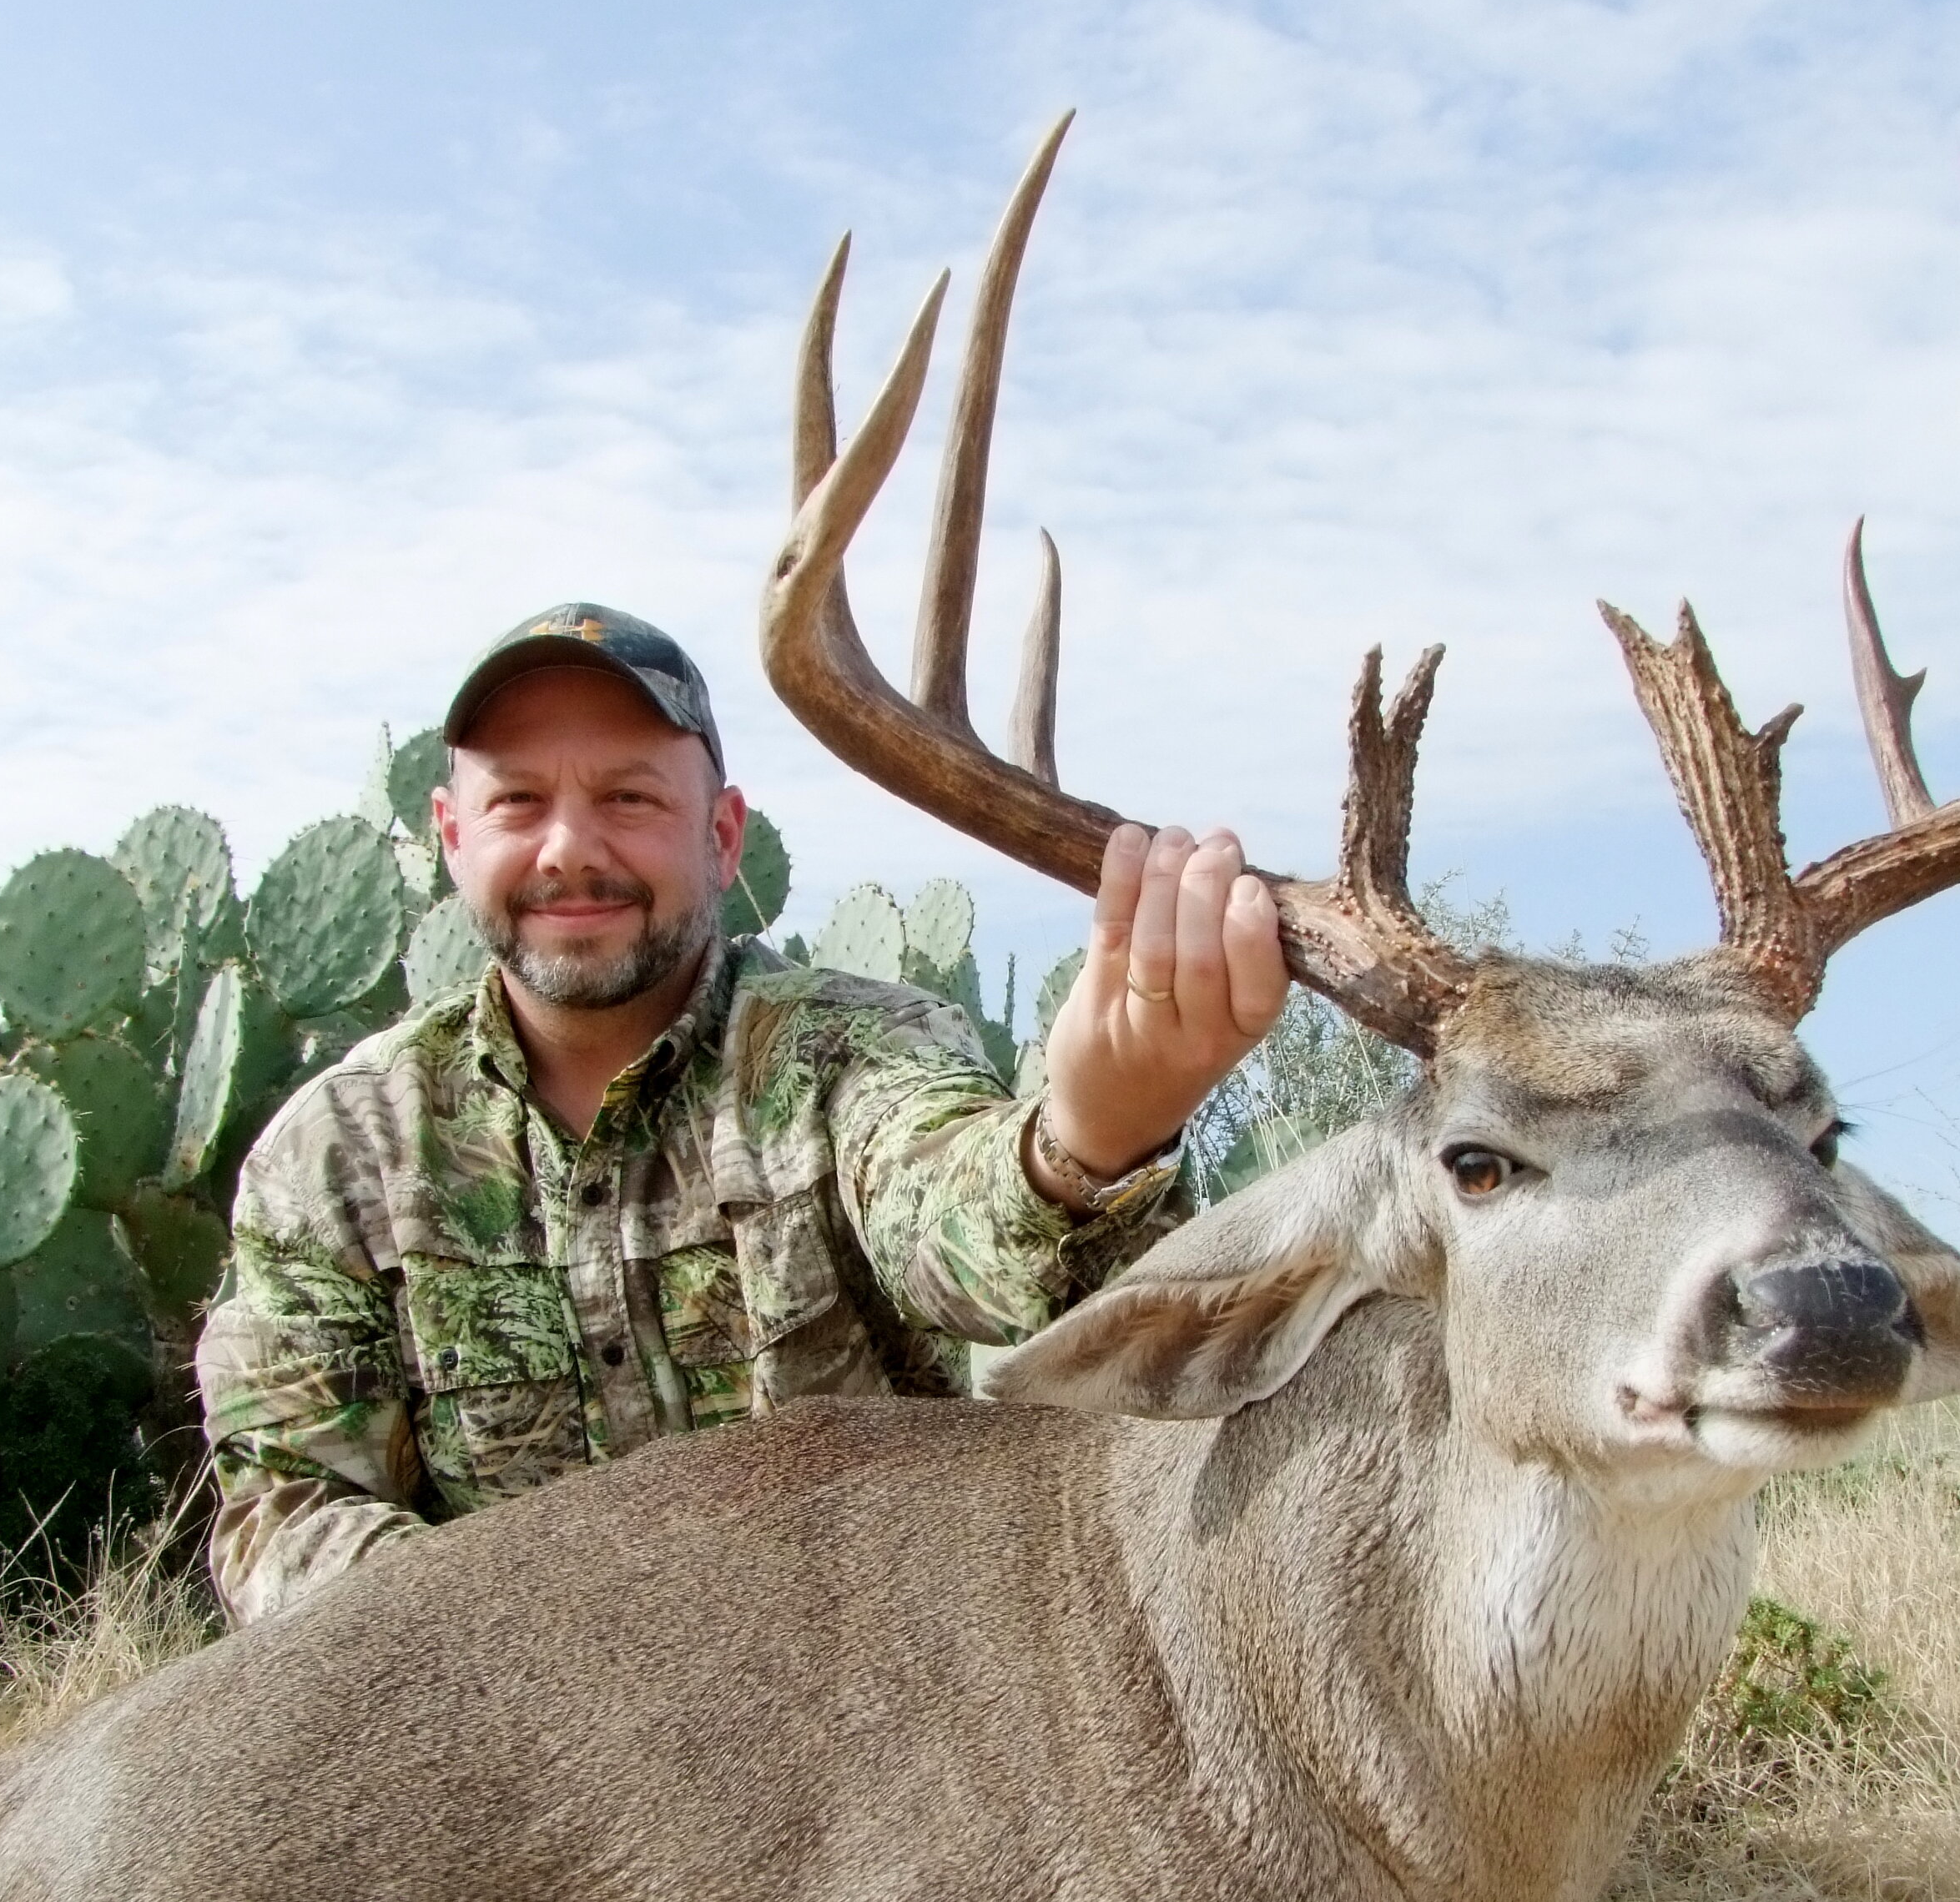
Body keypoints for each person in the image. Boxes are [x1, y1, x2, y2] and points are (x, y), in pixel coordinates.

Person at [194, 603, 1287, 1625]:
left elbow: (954, 1219)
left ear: (723, 836)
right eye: (517, 801)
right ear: (449, 835)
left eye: (629, 798)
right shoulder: (335, 1152)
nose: (569, 846)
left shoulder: (851, 1053)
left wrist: (1085, 1142)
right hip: (502, 1752)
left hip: (880, 1721)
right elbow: (284, 1509)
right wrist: (539, 1658)